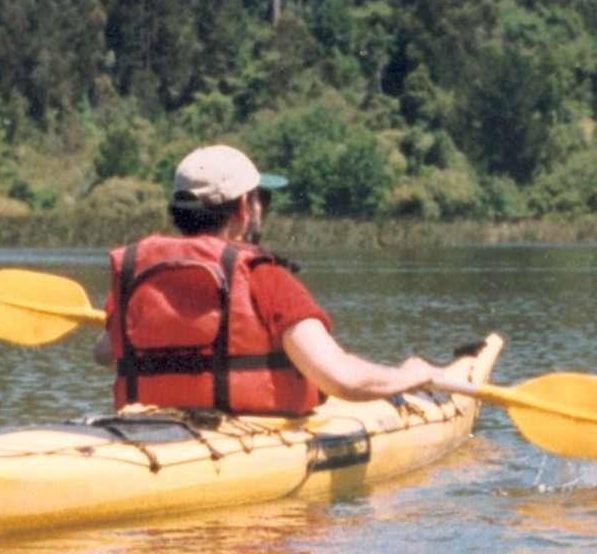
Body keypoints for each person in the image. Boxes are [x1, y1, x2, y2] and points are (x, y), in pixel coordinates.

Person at [93, 143, 439, 413]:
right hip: (242, 436)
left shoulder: (137, 275)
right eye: (264, 199)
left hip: (154, 427)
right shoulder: (263, 278)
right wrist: (409, 376)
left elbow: (105, 352)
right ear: (244, 207)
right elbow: (340, 379)